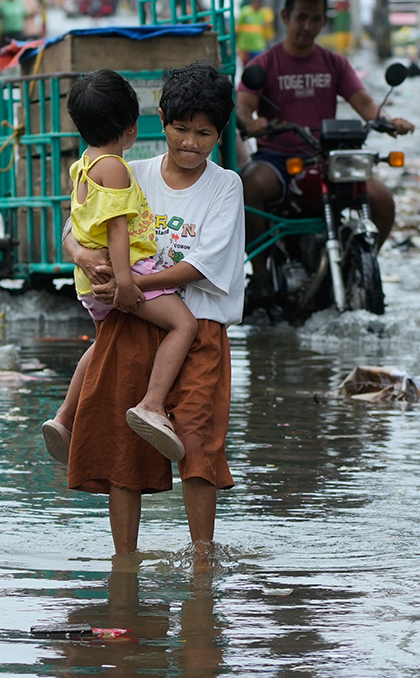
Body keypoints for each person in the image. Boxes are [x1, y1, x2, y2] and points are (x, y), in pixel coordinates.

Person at [61, 63, 244, 566]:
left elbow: (198, 266)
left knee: (198, 442)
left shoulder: (226, 187)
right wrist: (83, 258)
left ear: (219, 134)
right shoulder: (128, 170)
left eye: (204, 133)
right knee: (125, 445)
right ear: (160, 122)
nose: (191, 142)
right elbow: (73, 228)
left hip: (200, 325)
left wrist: (130, 282)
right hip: (133, 322)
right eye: (181, 129)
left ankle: (202, 558)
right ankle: (125, 560)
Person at [41, 69, 200, 464]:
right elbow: (116, 230)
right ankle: (152, 403)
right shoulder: (115, 167)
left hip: (88, 282)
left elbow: (77, 222)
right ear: (131, 128)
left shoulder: (82, 165)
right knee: (184, 325)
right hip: (123, 275)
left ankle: (64, 417)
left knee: (101, 346)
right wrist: (129, 286)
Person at [236, 0, 414, 296]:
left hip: (327, 157)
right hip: (279, 158)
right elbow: (243, 105)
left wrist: (389, 121)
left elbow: (366, 105)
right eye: (300, 18)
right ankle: (261, 276)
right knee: (248, 185)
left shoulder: (335, 63)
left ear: (323, 22)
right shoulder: (264, 64)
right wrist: (253, 122)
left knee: (383, 199)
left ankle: (361, 263)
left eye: (315, 19)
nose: (307, 27)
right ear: (285, 17)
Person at [235, 0, 274, 65]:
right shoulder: (245, 12)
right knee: (245, 65)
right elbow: (237, 27)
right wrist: (237, 45)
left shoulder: (262, 13)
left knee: (259, 64)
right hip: (245, 46)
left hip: (258, 45)